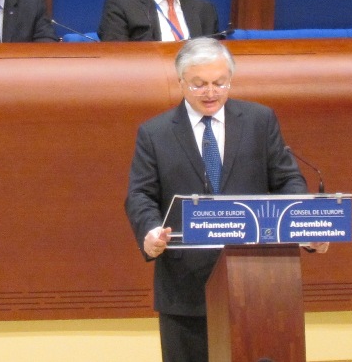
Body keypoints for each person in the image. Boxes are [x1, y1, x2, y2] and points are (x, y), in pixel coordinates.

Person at [125, 37, 309, 362]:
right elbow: (140, 194)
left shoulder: (259, 121)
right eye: (199, 84)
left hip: (255, 281)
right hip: (185, 284)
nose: (210, 92)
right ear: (181, 82)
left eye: (219, 83)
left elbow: (288, 181)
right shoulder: (155, 133)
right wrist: (151, 232)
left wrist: (301, 227)